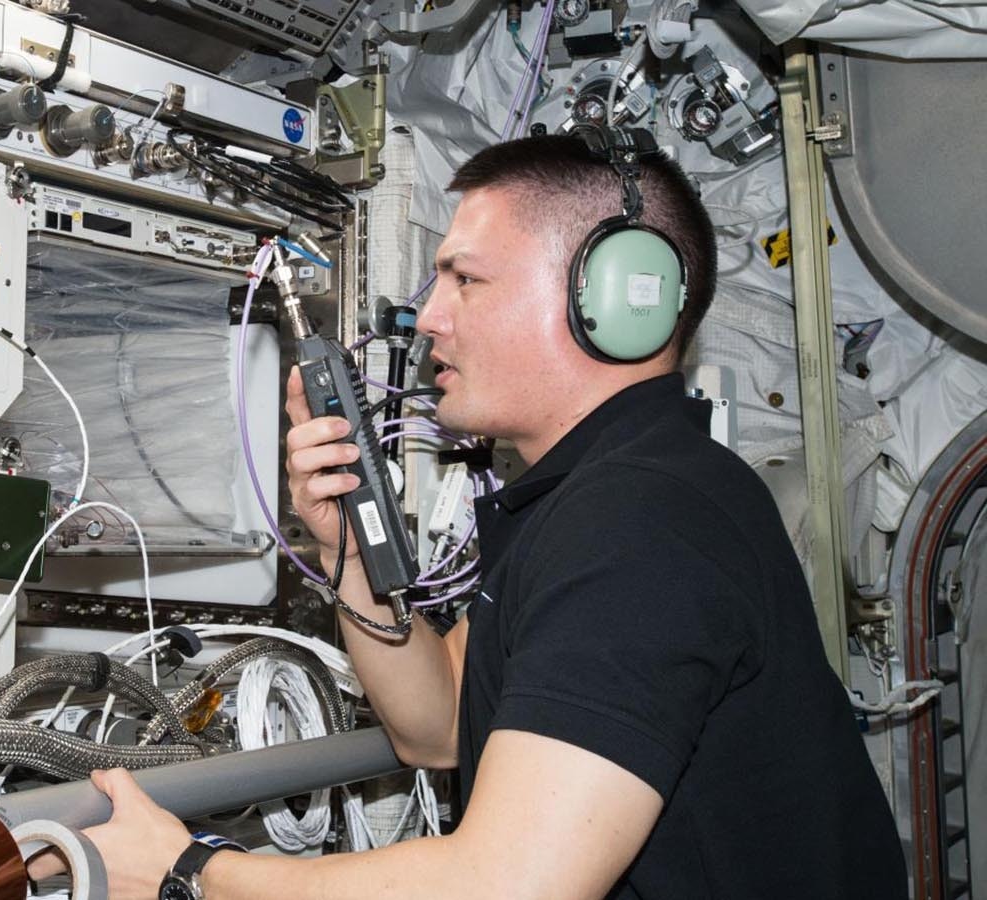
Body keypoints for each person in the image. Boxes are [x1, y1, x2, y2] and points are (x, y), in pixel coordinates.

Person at [57, 134, 907, 899]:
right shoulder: (588, 499)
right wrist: (349, 549)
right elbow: (440, 725)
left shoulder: (643, 525)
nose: (428, 315)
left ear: (612, 300)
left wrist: (186, 873)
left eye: (465, 278)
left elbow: (508, 885)